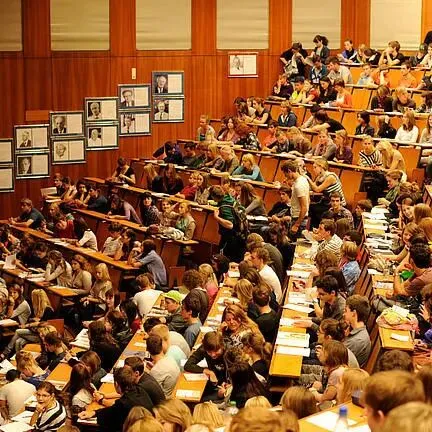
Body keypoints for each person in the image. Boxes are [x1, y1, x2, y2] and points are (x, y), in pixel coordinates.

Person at [79, 367, 153, 432]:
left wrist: (95, 413)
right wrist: (94, 412)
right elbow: (113, 409)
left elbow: (109, 416)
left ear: (116, 384)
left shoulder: (123, 403)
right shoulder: (140, 390)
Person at [307, 159, 346, 228]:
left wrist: (308, 178)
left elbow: (317, 189)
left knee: (315, 209)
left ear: (321, 167)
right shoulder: (319, 177)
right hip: (328, 202)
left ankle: (317, 228)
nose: (313, 169)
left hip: (337, 203)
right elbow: (312, 188)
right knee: (311, 207)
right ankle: (313, 229)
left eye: (315, 167)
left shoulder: (330, 177)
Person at [309, 340, 348, 405]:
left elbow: (325, 398)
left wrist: (313, 392)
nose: (320, 352)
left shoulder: (336, 373)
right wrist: (322, 387)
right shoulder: (339, 368)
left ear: (330, 357)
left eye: (323, 350)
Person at [280, 160, 309, 237]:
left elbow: (304, 207)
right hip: (301, 218)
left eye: (285, 174)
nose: (285, 176)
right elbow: (308, 200)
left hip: (298, 219)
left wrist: (296, 225)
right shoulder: (303, 180)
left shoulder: (298, 185)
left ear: (289, 171)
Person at [343, 294, 371, 367]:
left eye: (346, 311)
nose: (344, 314)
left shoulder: (356, 341)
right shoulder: (353, 330)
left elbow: (334, 359)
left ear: (354, 313)